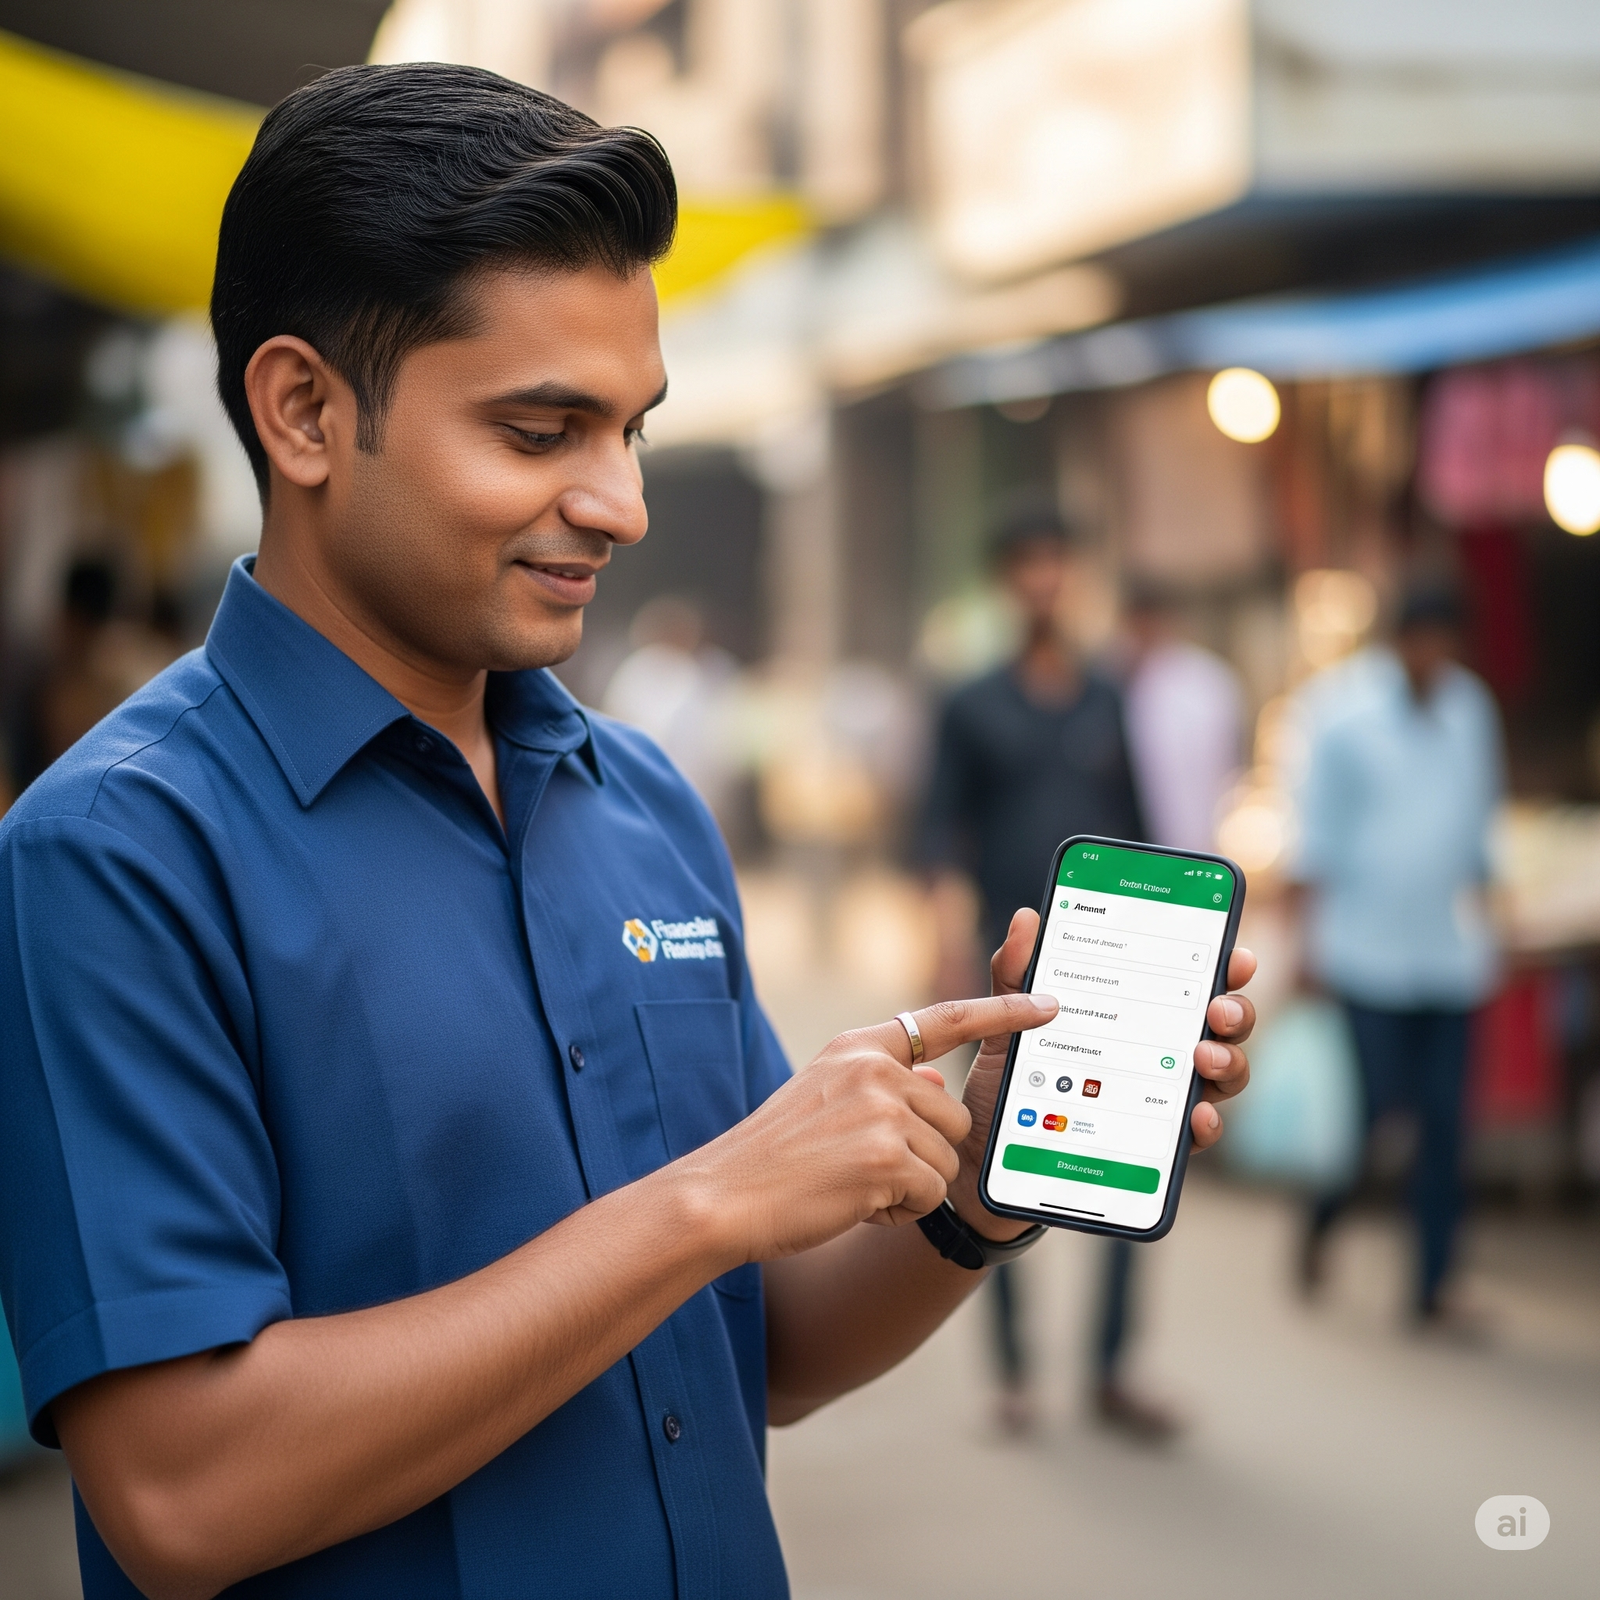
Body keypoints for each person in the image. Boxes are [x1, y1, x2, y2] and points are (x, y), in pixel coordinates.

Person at [0, 68, 1258, 1600]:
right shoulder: (115, 856)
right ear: (306, 412)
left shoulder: (645, 803)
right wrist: (702, 1204)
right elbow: (183, 1494)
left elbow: (766, 1348)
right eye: (543, 431)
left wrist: (983, 1179)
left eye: (632, 432)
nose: (620, 504)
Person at [920, 503, 1177, 1441]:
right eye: (1027, 563)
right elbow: (937, 831)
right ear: (1005, 580)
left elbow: (1143, 829)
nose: (1043, 579)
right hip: (1007, 958)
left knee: (1129, 1151)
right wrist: (945, 943)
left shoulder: (1108, 696)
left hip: (1113, 963)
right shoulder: (970, 701)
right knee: (993, 1155)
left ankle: (1111, 1369)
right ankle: (1013, 1373)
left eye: (1056, 562)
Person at [1291, 583, 1503, 1327]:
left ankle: (1433, 1283)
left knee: (1445, 1122)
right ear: (1400, 640)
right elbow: (1315, 837)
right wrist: (1308, 946)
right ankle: (1321, 1221)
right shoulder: (1341, 712)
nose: (1433, 654)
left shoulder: (1470, 709)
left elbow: (1480, 825)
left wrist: (1496, 913)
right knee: (1371, 1116)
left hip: (1448, 953)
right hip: (1365, 954)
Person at [1119, 578, 1244, 857]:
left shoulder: (1207, 681)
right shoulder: (1119, 680)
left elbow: (1229, 767)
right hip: (1139, 848)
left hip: (1204, 842)